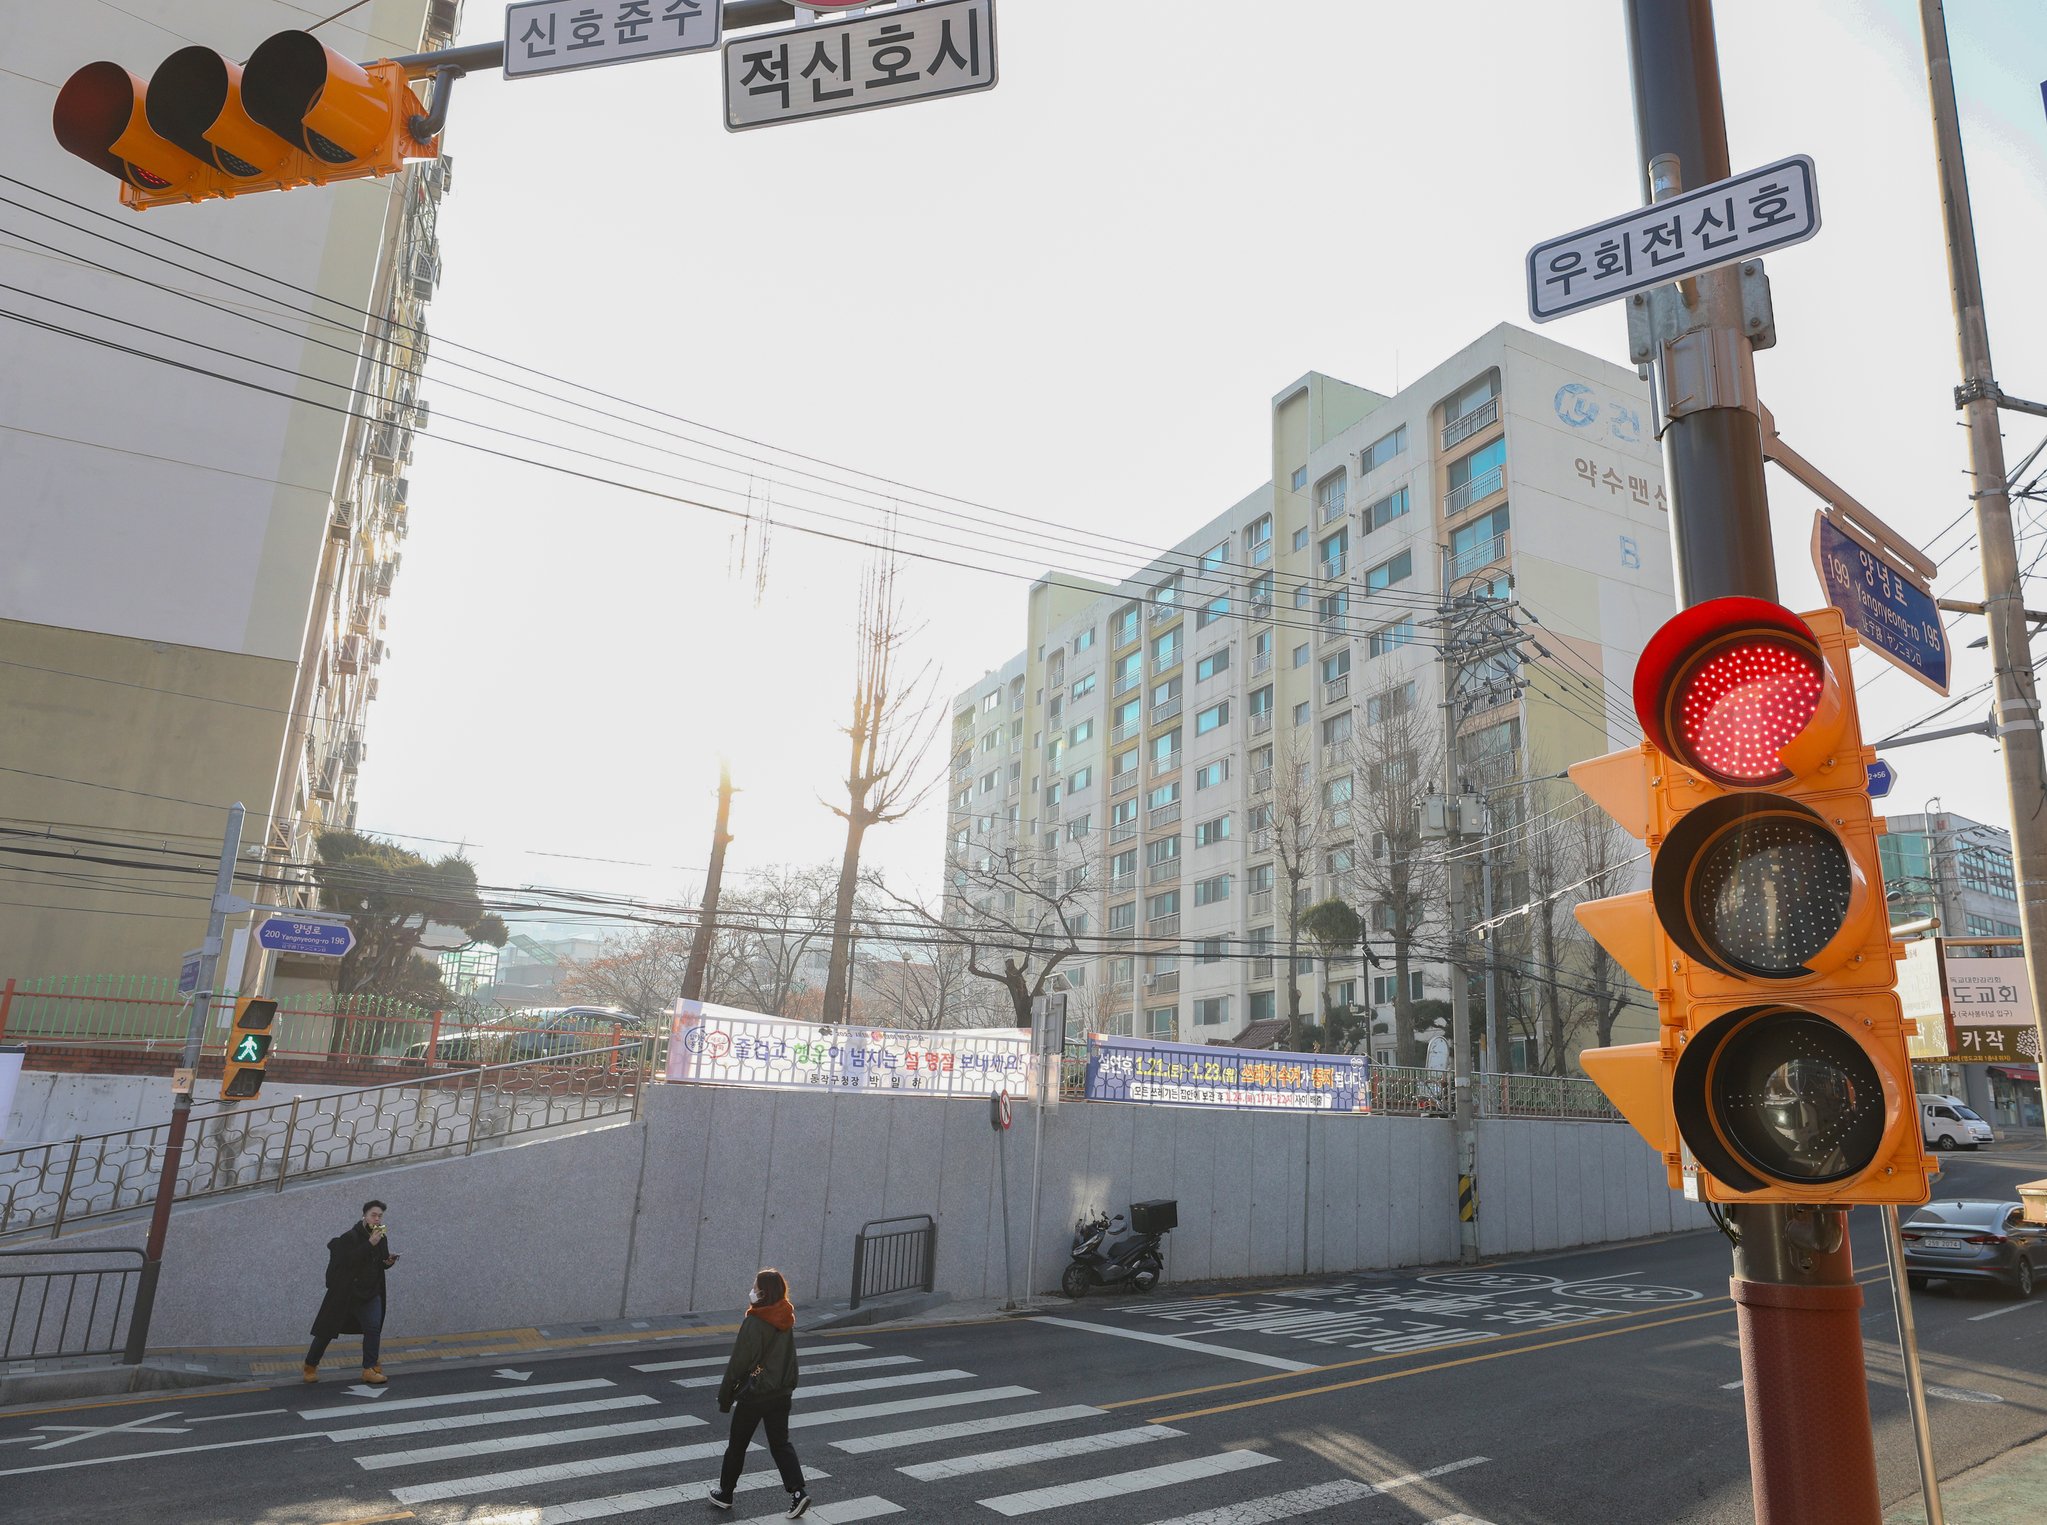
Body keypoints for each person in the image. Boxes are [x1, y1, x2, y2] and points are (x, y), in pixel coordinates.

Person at [709, 1268, 809, 1517]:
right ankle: (798, 1493)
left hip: (755, 1395)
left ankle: (725, 1493)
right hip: (781, 1393)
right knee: (780, 1444)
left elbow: (738, 1363)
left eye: (755, 1287)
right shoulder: (786, 1318)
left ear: (763, 1293)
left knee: (737, 1445)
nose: (752, 1291)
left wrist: (725, 1397)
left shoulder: (754, 1322)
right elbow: (790, 1358)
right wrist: (789, 1385)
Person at [303, 1199, 399, 1385]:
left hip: (370, 1292)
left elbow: (379, 1263)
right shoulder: (349, 1237)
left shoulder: (381, 1236)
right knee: (327, 1331)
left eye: (380, 1216)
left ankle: (369, 1368)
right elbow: (347, 1261)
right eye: (373, 1215)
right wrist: (369, 1243)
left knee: (373, 1328)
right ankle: (310, 1365)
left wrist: (388, 1262)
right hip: (346, 1293)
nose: (377, 1219)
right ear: (364, 1216)